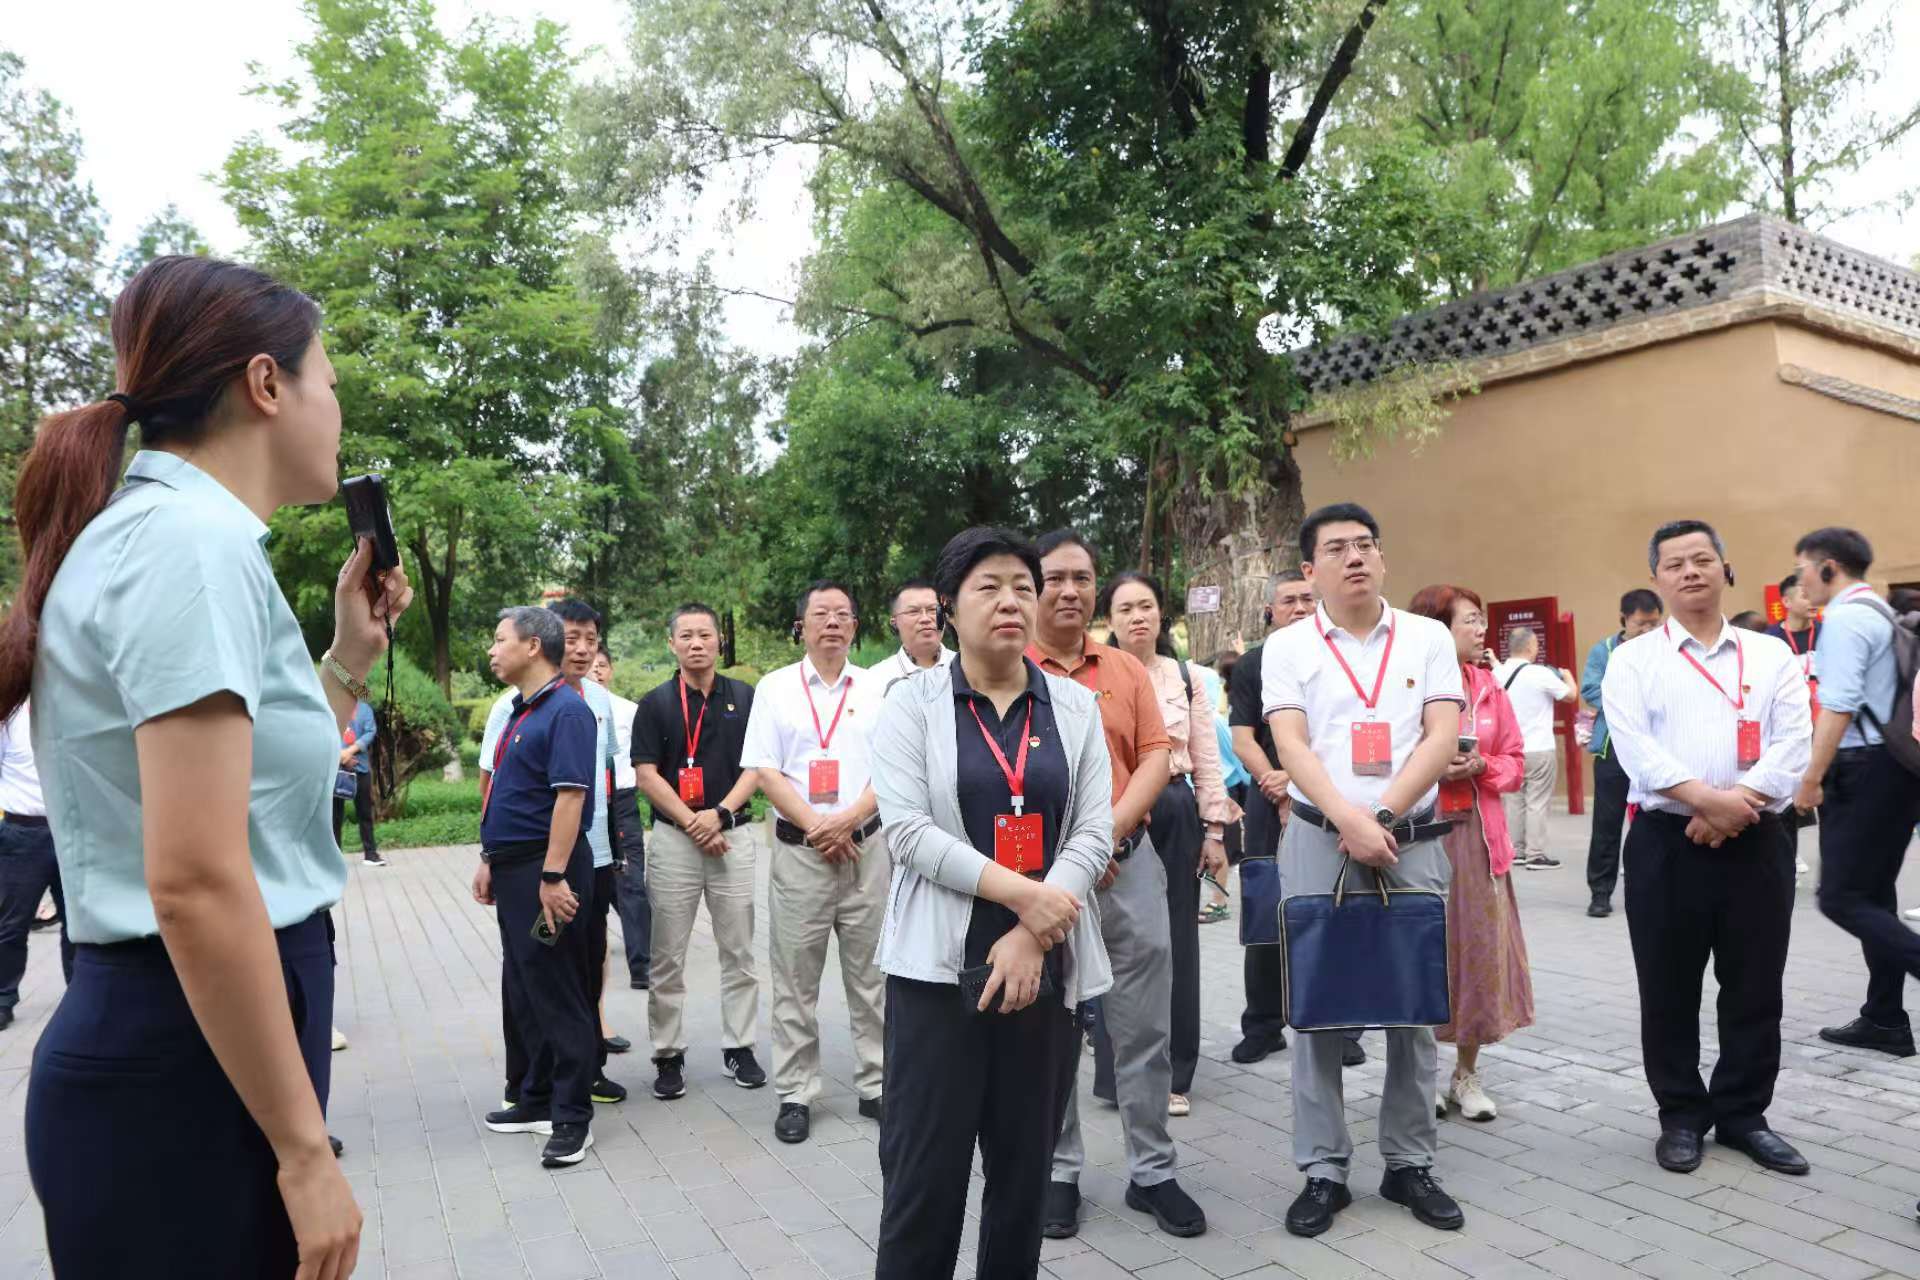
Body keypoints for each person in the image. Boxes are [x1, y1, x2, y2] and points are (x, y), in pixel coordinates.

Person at [10, 255, 410, 1275]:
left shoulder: (171, 535)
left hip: (187, 1050)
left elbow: (251, 802)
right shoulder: (190, 545)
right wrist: (304, 1150)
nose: (336, 411)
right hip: (180, 1069)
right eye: (329, 384)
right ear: (267, 384)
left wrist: (345, 664)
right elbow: (193, 878)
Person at [868, 527, 1114, 1280]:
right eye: (988, 587)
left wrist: (1035, 935)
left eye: (1022, 587)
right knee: (923, 1179)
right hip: (936, 977)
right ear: (947, 607)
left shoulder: (1072, 707)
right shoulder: (912, 703)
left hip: (1041, 976)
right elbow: (906, 830)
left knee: (1022, 1179)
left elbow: (1093, 831)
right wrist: (1025, 899)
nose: (1011, 601)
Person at [1263, 502, 1466, 1237]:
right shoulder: (1289, 647)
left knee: (1414, 1005)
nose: (1355, 558)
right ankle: (1323, 1168)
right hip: (1321, 839)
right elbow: (1292, 744)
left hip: (1408, 838)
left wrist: (1380, 818)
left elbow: (1442, 735)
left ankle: (1409, 1161)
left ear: (1381, 558)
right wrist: (1349, 821)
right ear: (1309, 570)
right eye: (1337, 549)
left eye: (1366, 546)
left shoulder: (1426, 638)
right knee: (1316, 1006)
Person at [1603, 519, 1811, 1178]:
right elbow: (1636, 748)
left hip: (1757, 841)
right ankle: (1682, 1116)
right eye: (1675, 564)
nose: (1690, 572)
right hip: (1668, 843)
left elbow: (1793, 743)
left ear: (1726, 569)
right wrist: (1707, 801)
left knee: (1755, 985)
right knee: (1667, 987)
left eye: (1702, 559)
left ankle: (1746, 1115)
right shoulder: (1632, 659)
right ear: (1658, 579)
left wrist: (1733, 808)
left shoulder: (1771, 654)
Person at [1030, 529, 1207, 1241]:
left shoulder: (1124, 669)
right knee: (1051, 1030)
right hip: (1044, 882)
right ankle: (1060, 1170)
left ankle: (1153, 1171)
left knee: (1143, 1027)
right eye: (1056, 578)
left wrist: (1103, 838)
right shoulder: (1012, 667)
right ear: (1031, 587)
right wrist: (1072, 856)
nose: (1071, 590)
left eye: (1083, 577)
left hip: (1129, 865)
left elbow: (1157, 756)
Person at [741, 582, 888, 1144]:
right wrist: (818, 826)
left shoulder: (877, 688)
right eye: (820, 614)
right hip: (801, 854)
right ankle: (796, 1092)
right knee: (795, 978)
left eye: (843, 614)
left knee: (872, 975)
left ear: (855, 626)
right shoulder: (775, 688)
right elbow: (764, 769)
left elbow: (893, 768)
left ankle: (877, 1084)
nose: (832, 622)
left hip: (867, 849)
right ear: (800, 625)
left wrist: (848, 818)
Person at [1099, 570, 1237, 1117]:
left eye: (1147, 606)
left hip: (1175, 810)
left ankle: (1174, 1072)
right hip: (1112, 813)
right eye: (1126, 608)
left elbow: (1206, 757)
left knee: (1177, 941)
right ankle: (1115, 1073)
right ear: (1109, 619)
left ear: (1160, 615)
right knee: (1117, 940)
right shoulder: (1094, 673)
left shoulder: (1185, 676)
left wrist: (1215, 830)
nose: (1138, 616)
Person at [472, 608, 602, 1168]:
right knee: (526, 987)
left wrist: (552, 877)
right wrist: (488, 859)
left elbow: (570, 799)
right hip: (514, 868)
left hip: (546, 872)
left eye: (500, 640)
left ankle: (572, 1116)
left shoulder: (568, 711)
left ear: (532, 646)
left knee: (558, 989)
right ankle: (536, 1099)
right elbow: (507, 790)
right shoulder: (521, 711)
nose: (492, 650)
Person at [1792, 528, 1920, 1058]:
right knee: (1874, 896)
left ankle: (1887, 1012)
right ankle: (1884, 1018)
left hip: (1863, 769)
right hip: (1896, 768)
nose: (1798, 580)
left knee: (1841, 898)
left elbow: (1838, 706)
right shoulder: (1881, 612)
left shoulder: (1845, 618)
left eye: (1802, 569)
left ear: (1829, 568)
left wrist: (1810, 779)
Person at [1409, 586, 1534, 1123]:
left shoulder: (1489, 688)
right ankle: (1421, 1076)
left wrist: (1482, 767)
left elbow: (1515, 761)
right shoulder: (1406, 687)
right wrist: (1432, 767)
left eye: (1482, 621)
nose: (1481, 631)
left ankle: (1466, 1074)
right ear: (1438, 628)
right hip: (1421, 832)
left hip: (1481, 839)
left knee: (1479, 956)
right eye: (1470, 622)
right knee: (1425, 954)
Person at [631, 603, 766, 1100]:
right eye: (685, 635)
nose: (695, 643)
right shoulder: (656, 703)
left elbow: (759, 765)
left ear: (718, 642)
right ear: (671, 644)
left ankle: (741, 1046)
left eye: (704, 635)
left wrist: (721, 816)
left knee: (740, 951)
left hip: (733, 836)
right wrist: (693, 822)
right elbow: (646, 774)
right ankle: (668, 1053)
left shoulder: (746, 698)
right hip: (674, 840)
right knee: (667, 954)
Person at [1580, 589, 1665, 917]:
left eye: (1654, 623)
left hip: (1654, 745)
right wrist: (1626, 706)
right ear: (1624, 621)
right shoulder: (1603, 651)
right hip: (1612, 747)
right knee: (1607, 821)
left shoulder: (1665, 649)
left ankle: (1656, 886)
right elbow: (1589, 688)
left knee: (1658, 817)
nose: (1647, 630)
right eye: (1641, 624)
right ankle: (1600, 892)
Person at [0, 700, 70, 1030]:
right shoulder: (8, 716)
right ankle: (2, 998)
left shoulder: (67, 705)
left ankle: (79, 994)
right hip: (21, 833)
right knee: (10, 925)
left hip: (70, 829)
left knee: (78, 924)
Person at [590, 647, 646, 1022]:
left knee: (632, 884)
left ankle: (642, 963)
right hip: (587, 802)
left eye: (602, 664)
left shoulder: (627, 710)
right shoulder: (568, 706)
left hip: (622, 801)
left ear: (610, 670)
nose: (595, 669)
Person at [1493, 626, 1575, 871]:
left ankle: (1515, 851)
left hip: (1508, 750)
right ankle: (1535, 854)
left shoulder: (1496, 673)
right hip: (1539, 748)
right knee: (1537, 801)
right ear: (1530, 647)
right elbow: (1570, 696)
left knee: (1514, 801)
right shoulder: (1540, 673)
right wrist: (1567, 675)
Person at [1766, 574, 1820, 878]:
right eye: (1803, 595)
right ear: (1785, 602)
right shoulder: (1771, 642)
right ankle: (1787, 863)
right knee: (1788, 801)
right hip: (1789, 731)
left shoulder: (1826, 634)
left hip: (1825, 729)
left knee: (1831, 805)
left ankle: (1834, 874)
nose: (1811, 600)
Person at [875, 577, 956, 686]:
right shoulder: (876, 679)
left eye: (932, 610)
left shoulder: (969, 669)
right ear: (895, 622)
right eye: (913, 612)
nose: (925, 619)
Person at [334, 699, 383, 866]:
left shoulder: (365, 709)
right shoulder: (332, 706)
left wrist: (349, 751)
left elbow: (370, 732)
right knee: (334, 816)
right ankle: (335, 857)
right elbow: (325, 732)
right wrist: (341, 755)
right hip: (336, 768)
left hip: (360, 768)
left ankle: (371, 854)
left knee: (365, 813)